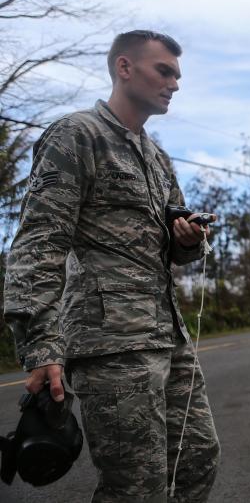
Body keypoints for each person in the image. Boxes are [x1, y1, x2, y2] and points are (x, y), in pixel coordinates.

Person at [3, 30, 220, 502]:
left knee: (197, 460)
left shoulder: (157, 158)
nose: (175, 84)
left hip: (169, 335)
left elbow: (175, 250)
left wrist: (187, 240)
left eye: (178, 75)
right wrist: (41, 344)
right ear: (124, 68)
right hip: (111, 345)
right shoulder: (76, 135)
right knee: (135, 488)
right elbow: (41, 241)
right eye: (164, 71)